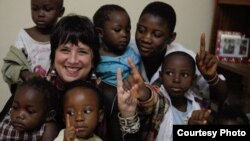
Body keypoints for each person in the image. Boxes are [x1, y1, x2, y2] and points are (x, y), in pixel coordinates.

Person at [129, 1, 227, 104]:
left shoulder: (184, 58)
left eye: (157, 34)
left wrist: (211, 77)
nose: (146, 39)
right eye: (141, 30)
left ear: (171, 38)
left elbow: (221, 97)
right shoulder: (125, 46)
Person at [92, 4, 140, 141]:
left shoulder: (130, 54)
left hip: (124, 101)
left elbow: (136, 78)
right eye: (118, 30)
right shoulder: (94, 53)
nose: (124, 34)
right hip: (101, 101)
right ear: (100, 32)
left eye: (128, 29)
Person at [2, 0, 65, 92]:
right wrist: (25, 74)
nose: (40, 14)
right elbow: (10, 66)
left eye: (47, 9)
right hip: (30, 93)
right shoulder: (24, 36)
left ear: (61, 12)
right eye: (35, 9)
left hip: (56, 94)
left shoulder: (63, 36)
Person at [156, 51, 212, 141]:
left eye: (184, 75)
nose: (176, 79)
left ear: (194, 80)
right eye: (169, 73)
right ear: (161, 76)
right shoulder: (156, 101)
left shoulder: (196, 108)